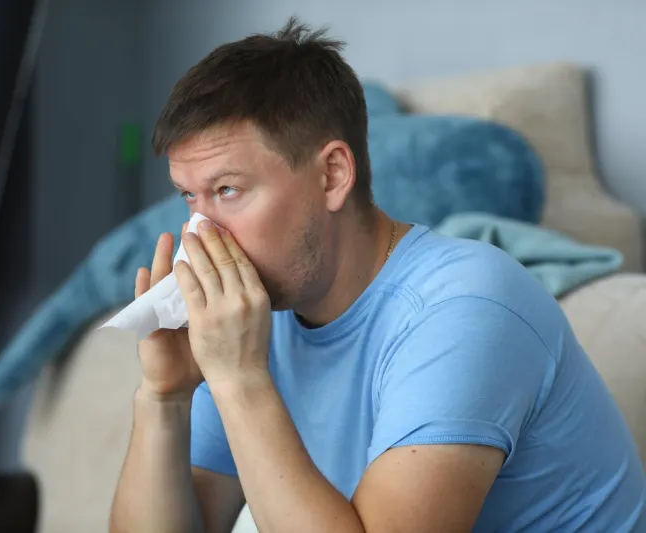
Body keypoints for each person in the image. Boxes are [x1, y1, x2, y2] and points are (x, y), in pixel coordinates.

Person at [108, 16, 646, 533]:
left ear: (333, 174)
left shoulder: (465, 307)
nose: (202, 233)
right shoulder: (258, 318)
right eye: (189, 198)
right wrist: (164, 395)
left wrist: (238, 379)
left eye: (228, 190)